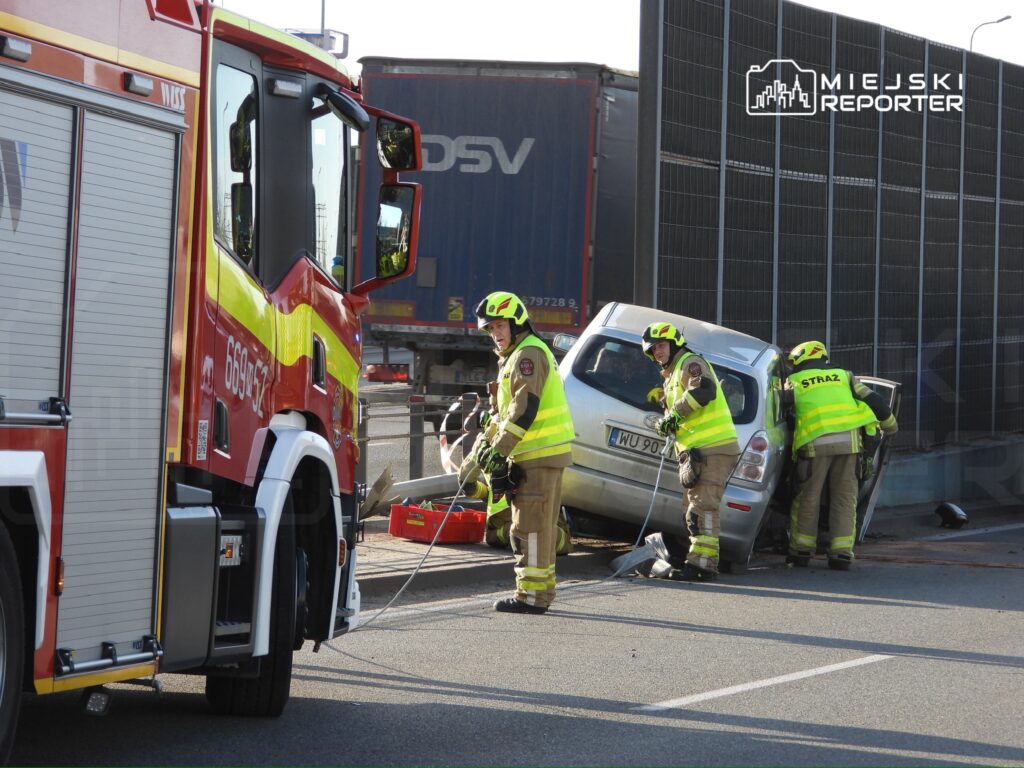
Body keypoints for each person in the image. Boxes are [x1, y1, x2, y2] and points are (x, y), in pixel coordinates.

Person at [458, 292, 575, 614]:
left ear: (516, 322)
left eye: (500, 326)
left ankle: (532, 597)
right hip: (539, 454)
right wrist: (478, 455)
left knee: (529, 528)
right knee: (539, 527)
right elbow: (504, 416)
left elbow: (524, 410)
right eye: (490, 329)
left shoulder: (528, 355)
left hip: (536, 454)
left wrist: (498, 453)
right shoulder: (517, 356)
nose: (495, 333)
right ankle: (541, 592)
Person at [784, 341, 898, 570]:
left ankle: (801, 552)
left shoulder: (794, 381)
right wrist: (890, 426)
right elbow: (874, 400)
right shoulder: (845, 376)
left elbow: (785, 412)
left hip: (813, 446)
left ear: (799, 360)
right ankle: (841, 554)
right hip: (849, 446)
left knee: (808, 498)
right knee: (845, 499)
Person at [643, 321, 740, 582]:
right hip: (698, 450)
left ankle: (703, 566)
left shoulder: (689, 362)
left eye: (661, 346)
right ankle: (697, 561)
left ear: (674, 344)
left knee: (703, 507)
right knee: (693, 508)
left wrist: (674, 415)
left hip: (712, 447)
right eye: (653, 350)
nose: (658, 352)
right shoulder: (673, 374)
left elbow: (704, 389)